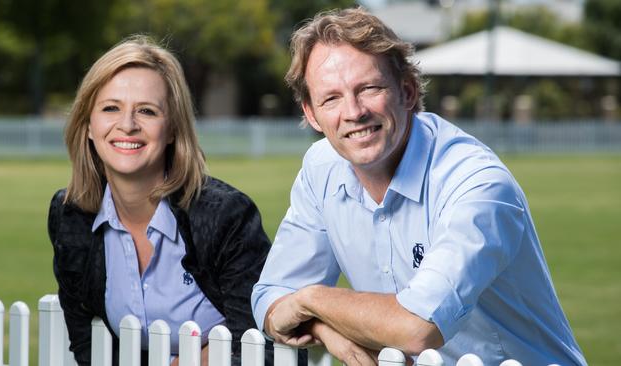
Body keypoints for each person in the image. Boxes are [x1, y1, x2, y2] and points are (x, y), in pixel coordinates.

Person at [251, 8, 586, 366]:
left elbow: (419, 328)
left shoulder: (477, 183)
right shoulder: (321, 168)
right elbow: (271, 298)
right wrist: (325, 330)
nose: (353, 111)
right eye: (331, 98)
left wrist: (312, 300)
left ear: (407, 91)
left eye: (369, 88)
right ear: (311, 113)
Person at [48, 36, 272, 366]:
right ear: (88, 127)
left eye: (147, 111)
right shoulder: (71, 215)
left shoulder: (225, 215)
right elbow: (88, 344)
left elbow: (260, 344)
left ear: (172, 130)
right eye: (111, 108)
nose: (127, 125)